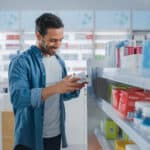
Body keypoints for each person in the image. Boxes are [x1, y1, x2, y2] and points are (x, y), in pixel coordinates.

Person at [8, 13, 86, 150]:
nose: (58, 45)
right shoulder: (21, 62)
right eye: (53, 40)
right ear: (39, 36)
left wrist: (72, 87)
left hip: (55, 135)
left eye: (60, 40)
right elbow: (18, 98)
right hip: (29, 139)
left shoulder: (59, 62)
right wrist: (57, 87)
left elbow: (60, 95)